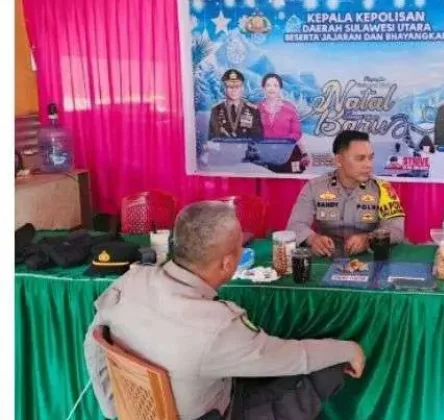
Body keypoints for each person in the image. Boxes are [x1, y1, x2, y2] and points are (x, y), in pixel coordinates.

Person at [83, 201, 365, 420]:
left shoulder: (130, 280)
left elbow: (94, 340)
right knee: (327, 368)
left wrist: (116, 408)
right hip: (214, 413)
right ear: (228, 264)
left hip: (159, 405)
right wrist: (348, 350)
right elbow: (292, 357)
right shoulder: (217, 327)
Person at [287, 130, 406, 257]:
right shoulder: (314, 187)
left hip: (370, 258)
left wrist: (368, 239)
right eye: (360, 158)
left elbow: (396, 230)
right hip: (328, 257)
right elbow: (295, 225)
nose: (368, 165)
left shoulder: (383, 188)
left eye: (370, 158)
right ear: (338, 160)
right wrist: (313, 239)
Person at [207, 69, 264, 163]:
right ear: (224, 89)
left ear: (242, 88)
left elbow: (258, 138)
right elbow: (212, 138)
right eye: (230, 87)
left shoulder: (253, 110)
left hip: (247, 160)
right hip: (223, 159)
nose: (234, 90)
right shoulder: (216, 110)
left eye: (237, 86)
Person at [258, 73, 310, 172]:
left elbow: (297, 133)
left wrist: (304, 153)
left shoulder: (289, 108)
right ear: (263, 88)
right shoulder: (257, 109)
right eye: (268, 85)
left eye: (275, 85)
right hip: (265, 157)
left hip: (288, 155)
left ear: (280, 89)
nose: (272, 88)